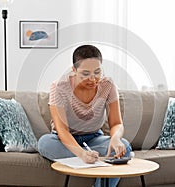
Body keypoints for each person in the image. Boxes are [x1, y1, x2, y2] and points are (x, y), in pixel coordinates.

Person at [38, 44, 132, 187]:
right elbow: (62, 129)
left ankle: (95, 174)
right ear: (74, 70)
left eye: (97, 72)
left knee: (124, 147)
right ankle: (94, 160)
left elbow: (116, 123)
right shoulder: (59, 87)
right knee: (44, 143)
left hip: (94, 138)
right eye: (85, 74)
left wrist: (115, 138)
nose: (93, 79)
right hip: (63, 140)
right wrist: (81, 154)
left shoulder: (108, 85)